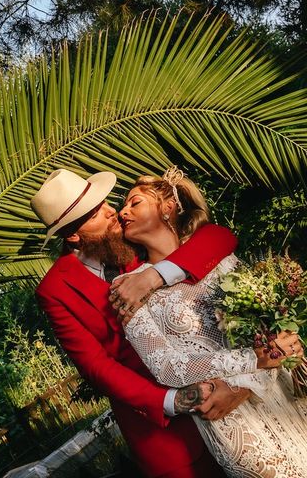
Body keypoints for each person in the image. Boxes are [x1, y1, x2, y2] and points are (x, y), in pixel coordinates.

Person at [30, 168, 247, 478]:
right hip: (166, 431)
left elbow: (219, 237)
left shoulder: (136, 238)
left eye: (104, 203)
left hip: (229, 387)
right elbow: (96, 366)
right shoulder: (55, 290)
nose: (112, 213)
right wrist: (174, 400)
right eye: (95, 214)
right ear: (73, 236)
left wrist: (154, 275)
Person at [117, 167, 307, 477]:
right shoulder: (127, 286)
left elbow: (271, 330)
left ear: (168, 207)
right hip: (231, 423)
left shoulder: (220, 258)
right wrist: (254, 359)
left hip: (279, 393)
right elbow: (167, 366)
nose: (123, 211)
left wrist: (251, 376)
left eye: (134, 203)